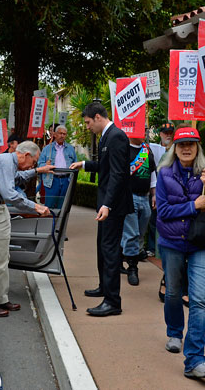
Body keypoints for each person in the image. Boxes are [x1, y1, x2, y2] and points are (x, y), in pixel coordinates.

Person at [155, 126, 205, 379]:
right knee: (173, 293)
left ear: (198, 148)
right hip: (172, 243)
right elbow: (162, 211)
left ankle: (195, 360)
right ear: (175, 148)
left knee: (197, 300)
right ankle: (174, 332)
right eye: (182, 144)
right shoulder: (164, 175)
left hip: (201, 245)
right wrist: (191, 205)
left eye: (191, 144)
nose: (186, 148)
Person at [0, 141, 52, 317]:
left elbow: (18, 179)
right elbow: (9, 193)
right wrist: (35, 207)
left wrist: (37, 171)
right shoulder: (7, 162)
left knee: (2, 256)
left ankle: (1, 298)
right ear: (26, 155)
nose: (33, 165)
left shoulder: (7, 162)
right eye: (34, 162)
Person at [70, 102, 131, 317]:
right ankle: (105, 288)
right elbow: (106, 168)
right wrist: (85, 165)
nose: (87, 127)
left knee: (110, 251)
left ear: (97, 117)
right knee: (102, 249)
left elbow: (117, 174)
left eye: (87, 122)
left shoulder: (116, 137)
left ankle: (113, 301)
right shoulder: (107, 136)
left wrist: (107, 204)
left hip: (112, 205)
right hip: (106, 204)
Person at [120, 136, 156, 286]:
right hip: (130, 197)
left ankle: (122, 255)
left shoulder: (146, 150)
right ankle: (133, 268)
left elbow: (152, 172)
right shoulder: (123, 148)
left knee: (140, 233)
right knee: (132, 233)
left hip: (145, 197)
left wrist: (154, 194)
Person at [147, 122, 175, 256]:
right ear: (160, 134)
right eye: (165, 133)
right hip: (156, 185)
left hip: (171, 188)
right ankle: (152, 247)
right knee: (153, 218)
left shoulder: (176, 149)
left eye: (170, 133)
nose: (168, 135)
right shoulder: (152, 148)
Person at [37, 125, 76, 210]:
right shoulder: (47, 149)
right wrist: (45, 165)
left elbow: (75, 164)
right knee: (49, 207)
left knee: (62, 207)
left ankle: (59, 223)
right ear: (54, 134)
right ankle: (49, 223)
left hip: (66, 180)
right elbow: (39, 164)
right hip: (52, 180)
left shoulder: (70, 149)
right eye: (60, 133)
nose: (62, 136)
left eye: (64, 134)